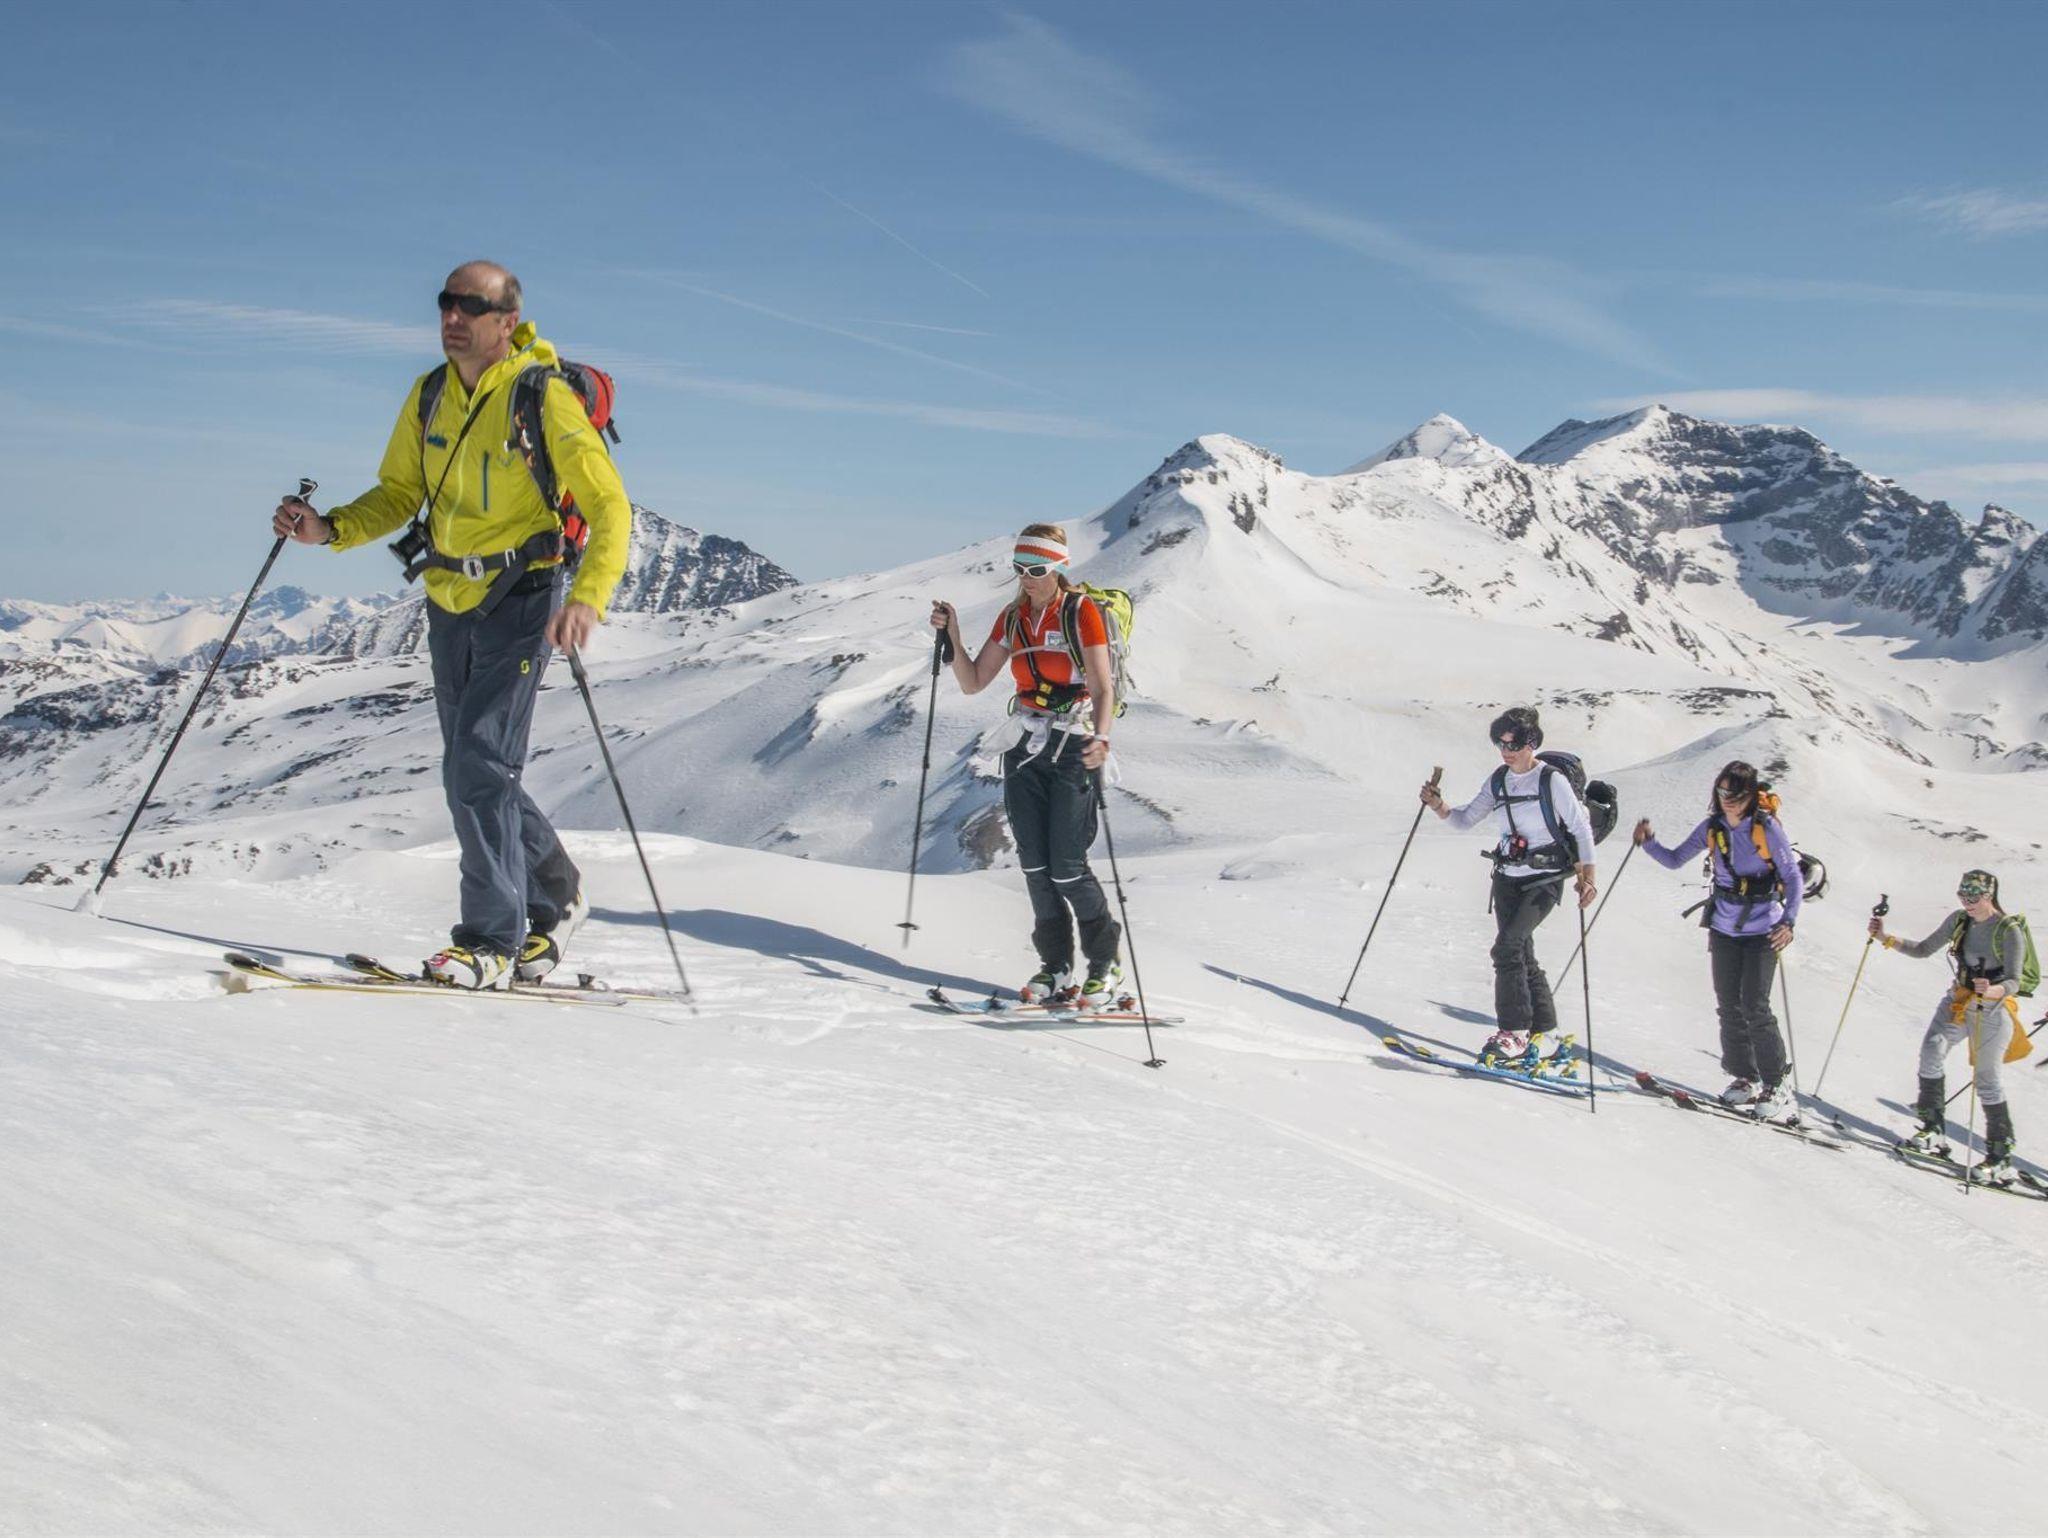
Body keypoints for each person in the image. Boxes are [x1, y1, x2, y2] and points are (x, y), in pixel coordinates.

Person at [272, 261, 632, 989]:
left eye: (471, 305)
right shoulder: (430, 394)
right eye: (446, 303)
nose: (452, 317)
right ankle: (556, 891)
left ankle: (491, 941)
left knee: (478, 764)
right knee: (475, 768)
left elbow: (609, 504)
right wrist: (329, 528)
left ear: (507, 320)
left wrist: (588, 596)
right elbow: (399, 492)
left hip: (524, 595)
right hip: (448, 599)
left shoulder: (541, 396)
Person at [929, 524, 1123, 1003]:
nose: (1026, 577)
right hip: (1025, 744)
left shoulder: (1081, 613)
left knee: (1067, 866)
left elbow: (1103, 687)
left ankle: (1105, 965)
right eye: (1020, 568)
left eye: (1036, 569)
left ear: (1058, 567)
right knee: (1035, 864)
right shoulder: (1013, 618)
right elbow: (974, 682)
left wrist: (1101, 738)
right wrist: (953, 636)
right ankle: (1055, 968)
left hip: (1074, 744)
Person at [1420, 707, 1597, 1068]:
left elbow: (1581, 829)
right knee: (1522, 953)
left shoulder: (1551, 781)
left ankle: (1513, 1032)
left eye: (1512, 743)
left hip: (1544, 878)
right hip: (1507, 878)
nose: (1505, 750)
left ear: (1531, 743)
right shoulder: (1499, 780)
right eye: (1499, 743)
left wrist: (1588, 878)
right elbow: (1465, 820)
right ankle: (1546, 1032)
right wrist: (1438, 805)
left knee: (1507, 946)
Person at [1632, 760, 1803, 1120]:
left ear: (1750, 794)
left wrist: (1788, 921)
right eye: (1722, 790)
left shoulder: (1766, 828)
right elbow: (1676, 859)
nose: (1727, 798)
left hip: (1764, 929)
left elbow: (1792, 876)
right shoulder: (1713, 827)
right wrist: (1649, 843)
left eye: (1735, 792)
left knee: (1755, 1005)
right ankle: (1745, 1077)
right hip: (1724, 928)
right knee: (1728, 1004)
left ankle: (1776, 1083)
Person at [1871, 869, 2030, 1186]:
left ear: (1988, 895)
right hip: (1958, 999)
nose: (1967, 901)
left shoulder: (2008, 930)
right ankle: (1933, 1129)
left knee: (1987, 1079)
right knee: (1932, 1051)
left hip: (1992, 1008)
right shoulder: (1959, 920)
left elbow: (2015, 980)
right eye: (1963, 895)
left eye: (1973, 895)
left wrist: (1993, 990)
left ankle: (2000, 1157)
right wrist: (1885, 938)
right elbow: (1923, 949)